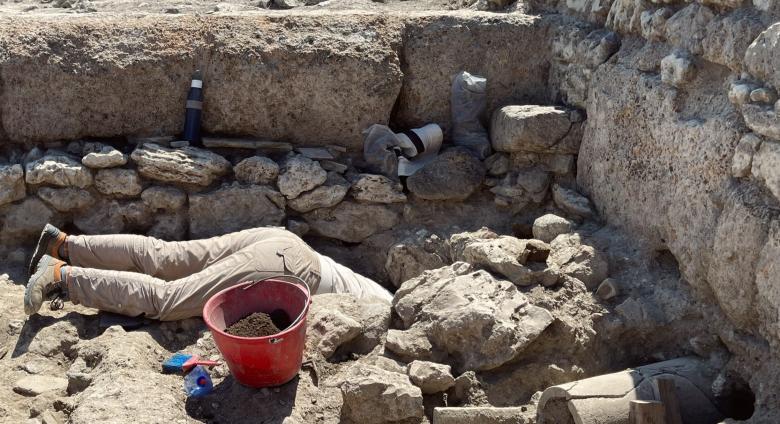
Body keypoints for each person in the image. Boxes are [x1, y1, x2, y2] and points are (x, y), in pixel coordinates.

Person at [24, 224, 393, 321]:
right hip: (290, 270)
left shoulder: (394, 300)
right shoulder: (393, 318)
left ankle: (62, 244)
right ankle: (62, 276)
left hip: (284, 246)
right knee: (168, 300)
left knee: (164, 257)